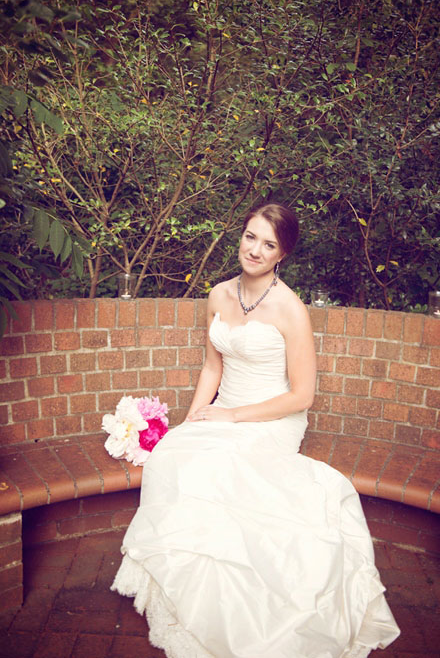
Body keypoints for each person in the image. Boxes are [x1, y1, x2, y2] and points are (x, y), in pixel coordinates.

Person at [111, 203, 400, 657]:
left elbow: (302, 395)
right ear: (240, 236)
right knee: (175, 457)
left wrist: (231, 417)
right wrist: (192, 421)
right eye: (251, 237)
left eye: (269, 244)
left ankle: (248, 606)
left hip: (273, 417)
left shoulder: (291, 309)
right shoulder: (219, 295)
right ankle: (189, 593)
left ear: (282, 253)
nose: (256, 250)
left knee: (224, 471)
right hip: (224, 407)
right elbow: (212, 367)